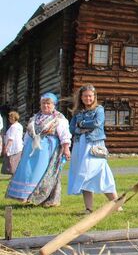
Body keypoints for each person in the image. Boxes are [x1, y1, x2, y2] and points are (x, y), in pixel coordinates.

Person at [6, 93, 71, 207]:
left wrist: (66, 149)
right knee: (28, 172)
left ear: (54, 105)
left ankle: (46, 199)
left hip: (48, 150)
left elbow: (64, 135)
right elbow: (27, 135)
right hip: (31, 150)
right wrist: (23, 149)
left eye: (48, 103)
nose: (46, 106)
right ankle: (27, 196)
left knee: (44, 173)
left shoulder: (59, 118)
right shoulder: (35, 118)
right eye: (43, 103)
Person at [67, 84, 119, 214]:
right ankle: (89, 208)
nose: (88, 98)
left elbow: (97, 123)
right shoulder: (78, 112)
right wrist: (80, 127)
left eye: (90, 96)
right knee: (83, 175)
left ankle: (117, 205)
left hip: (95, 145)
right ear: (81, 97)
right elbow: (72, 128)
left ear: (94, 97)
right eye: (85, 96)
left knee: (99, 173)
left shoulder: (99, 109)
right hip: (80, 145)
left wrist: (82, 124)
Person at [1, 111, 24, 176]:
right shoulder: (19, 125)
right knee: (16, 162)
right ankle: (15, 176)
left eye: (10, 118)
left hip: (14, 147)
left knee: (13, 163)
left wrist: (6, 148)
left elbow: (11, 138)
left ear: (14, 118)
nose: (9, 119)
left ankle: (15, 176)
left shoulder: (13, 127)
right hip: (19, 146)